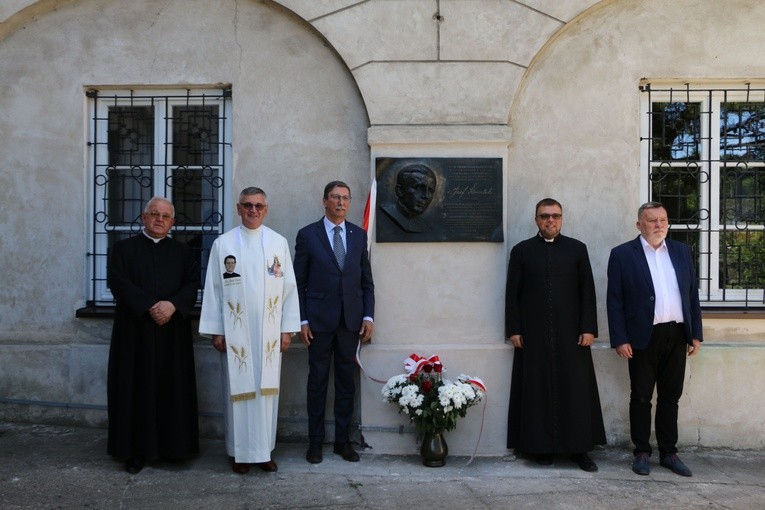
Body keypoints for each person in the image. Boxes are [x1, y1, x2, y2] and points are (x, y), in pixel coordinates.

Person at [199, 187, 300, 474]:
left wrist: (286, 330)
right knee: (238, 392)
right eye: (247, 205)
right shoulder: (224, 244)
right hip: (236, 333)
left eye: (258, 206)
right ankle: (240, 453)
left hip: (268, 334)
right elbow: (214, 290)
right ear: (238, 208)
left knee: (266, 393)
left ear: (266, 209)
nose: (253, 211)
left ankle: (264, 451)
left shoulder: (277, 243)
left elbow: (289, 289)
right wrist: (217, 330)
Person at [505, 198, 605, 472]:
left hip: (572, 334)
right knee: (537, 389)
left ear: (562, 219)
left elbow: (588, 292)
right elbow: (512, 294)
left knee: (575, 390)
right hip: (533, 335)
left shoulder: (577, 249)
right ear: (536, 219)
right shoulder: (522, 251)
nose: (550, 220)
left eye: (556, 216)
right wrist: (514, 329)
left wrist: (589, 328)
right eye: (544, 216)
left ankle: (579, 450)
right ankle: (541, 448)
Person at [607, 201, 703, 477]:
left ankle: (669, 452)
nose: (658, 225)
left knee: (671, 397)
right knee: (640, 396)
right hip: (641, 337)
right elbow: (615, 301)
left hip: (676, 334)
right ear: (639, 225)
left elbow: (691, 296)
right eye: (651, 220)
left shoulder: (682, 252)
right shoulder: (623, 254)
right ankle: (642, 452)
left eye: (662, 220)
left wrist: (695, 333)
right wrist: (620, 339)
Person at [107, 196, 200, 474]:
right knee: (135, 390)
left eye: (166, 216)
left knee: (173, 389)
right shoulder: (123, 249)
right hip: (134, 333)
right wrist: (149, 306)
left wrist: (172, 305)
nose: (160, 220)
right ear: (143, 217)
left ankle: (174, 449)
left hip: (172, 334)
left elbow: (192, 284)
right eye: (154, 214)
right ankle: (135, 451)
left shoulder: (183, 253)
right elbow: (117, 282)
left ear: (172, 222)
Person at [294, 181, 375, 464]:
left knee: (346, 385)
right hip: (317, 324)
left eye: (345, 198)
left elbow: (366, 281)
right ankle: (315, 442)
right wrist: (302, 319)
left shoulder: (358, 235)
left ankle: (342, 442)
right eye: (335, 197)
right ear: (324, 201)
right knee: (317, 384)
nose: (341, 202)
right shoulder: (307, 235)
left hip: (350, 323)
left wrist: (368, 315)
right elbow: (298, 283)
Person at [379, 163, 437, 233]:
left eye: (430, 191)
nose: (426, 196)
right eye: (418, 188)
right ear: (399, 191)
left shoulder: (426, 227)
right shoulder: (383, 214)